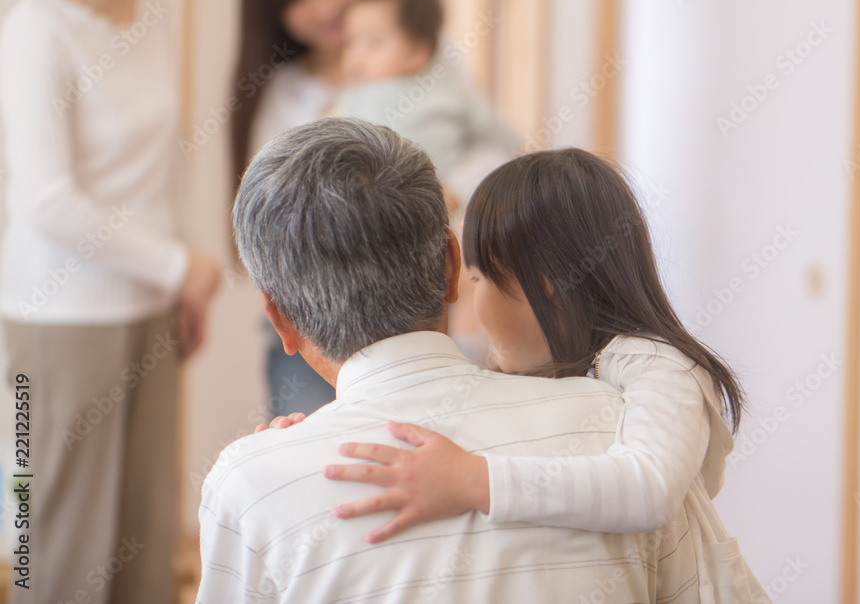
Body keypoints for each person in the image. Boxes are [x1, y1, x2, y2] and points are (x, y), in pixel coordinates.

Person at [197, 118, 691, 603]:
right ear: (452, 265)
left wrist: (276, 464)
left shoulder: (250, 486)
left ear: (279, 318)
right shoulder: (625, 423)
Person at [271, 149, 772, 602]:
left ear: (545, 285)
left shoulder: (659, 364)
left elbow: (649, 489)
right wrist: (314, 443)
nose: (470, 299)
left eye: (478, 278)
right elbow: (447, 429)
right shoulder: (544, 372)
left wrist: (475, 479)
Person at [0, 0, 219, 602]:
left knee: (145, 543)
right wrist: (178, 265)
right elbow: (47, 200)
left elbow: (164, 160)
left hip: (150, 303)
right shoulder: (35, 32)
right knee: (57, 550)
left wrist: (181, 280)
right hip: (60, 316)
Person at [231, 0, 355, 418]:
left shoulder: (417, 60)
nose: (323, 6)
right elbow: (276, 211)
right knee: (311, 455)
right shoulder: (282, 95)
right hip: (312, 330)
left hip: (413, 322)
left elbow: (489, 148)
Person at [333, 0, 518, 213]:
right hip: (372, 207)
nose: (355, 56)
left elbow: (493, 133)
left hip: (438, 200)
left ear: (417, 51)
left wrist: (458, 188)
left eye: (373, 42)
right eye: (350, 42)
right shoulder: (353, 96)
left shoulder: (444, 88)